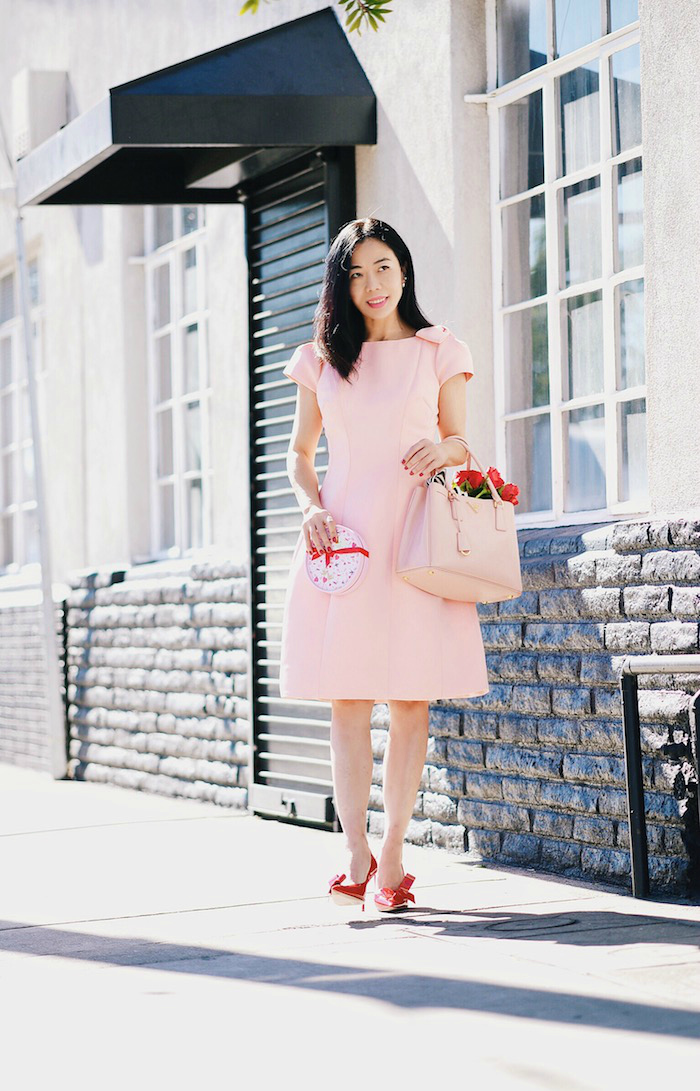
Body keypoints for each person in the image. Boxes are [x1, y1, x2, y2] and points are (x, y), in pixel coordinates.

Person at [279, 217, 489, 912]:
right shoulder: (321, 359)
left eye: (384, 268)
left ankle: (394, 853)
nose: (372, 284)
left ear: (404, 272)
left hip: (417, 535)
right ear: (341, 284)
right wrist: (310, 504)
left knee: (409, 700)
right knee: (347, 701)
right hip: (345, 538)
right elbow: (299, 454)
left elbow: (463, 441)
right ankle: (354, 849)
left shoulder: (439, 350)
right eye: (357, 272)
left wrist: (447, 451)